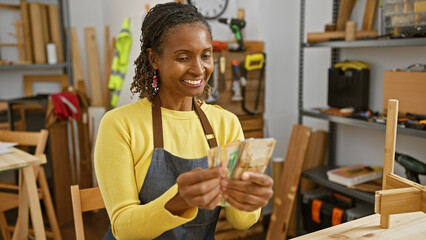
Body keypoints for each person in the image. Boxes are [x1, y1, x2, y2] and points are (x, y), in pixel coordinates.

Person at [95, 2, 273, 239]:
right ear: (154, 59)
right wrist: (180, 201)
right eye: (183, 57)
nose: (199, 69)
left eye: (206, 55)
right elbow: (123, 228)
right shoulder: (120, 124)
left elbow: (239, 223)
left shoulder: (225, 124)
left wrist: (249, 200)